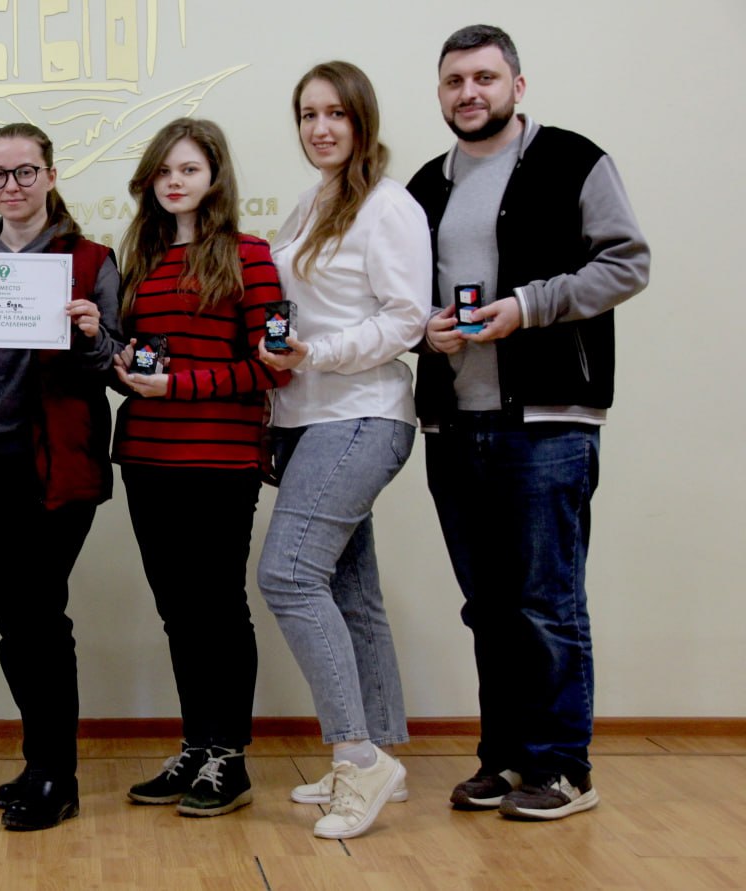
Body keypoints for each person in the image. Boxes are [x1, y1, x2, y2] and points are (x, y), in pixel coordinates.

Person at [407, 25, 649, 821]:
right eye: (454, 81)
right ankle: (506, 758)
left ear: (517, 85)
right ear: (440, 93)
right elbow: (402, 299)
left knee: (547, 602)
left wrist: (529, 306)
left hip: (547, 422)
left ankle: (563, 767)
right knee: (489, 606)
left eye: (484, 77)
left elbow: (627, 262)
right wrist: (426, 331)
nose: (469, 92)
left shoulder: (574, 159)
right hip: (455, 425)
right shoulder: (425, 185)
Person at [0, 123, 122, 831]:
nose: (11, 186)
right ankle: (41, 761)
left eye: (25, 171)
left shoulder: (90, 259)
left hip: (59, 466)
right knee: (15, 622)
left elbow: (115, 364)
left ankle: (56, 774)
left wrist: (92, 333)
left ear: (51, 175)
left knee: (39, 616)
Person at [254, 61, 430, 840]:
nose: (320, 128)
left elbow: (406, 318)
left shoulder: (388, 206)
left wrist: (316, 354)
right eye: (308, 114)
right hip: (307, 417)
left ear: (363, 120)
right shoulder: (313, 202)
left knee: (288, 574)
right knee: (351, 591)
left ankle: (357, 756)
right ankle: (382, 753)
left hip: (360, 412)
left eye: (336, 114)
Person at [112, 118, 289, 818]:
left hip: (219, 456)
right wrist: (123, 367)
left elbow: (271, 366)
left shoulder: (249, 254)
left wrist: (178, 386)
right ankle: (196, 745)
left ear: (215, 177)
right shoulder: (141, 258)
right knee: (178, 610)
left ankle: (228, 757)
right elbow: (138, 358)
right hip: (146, 455)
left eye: (188, 169)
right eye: (164, 171)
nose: (175, 181)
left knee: (217, 606)